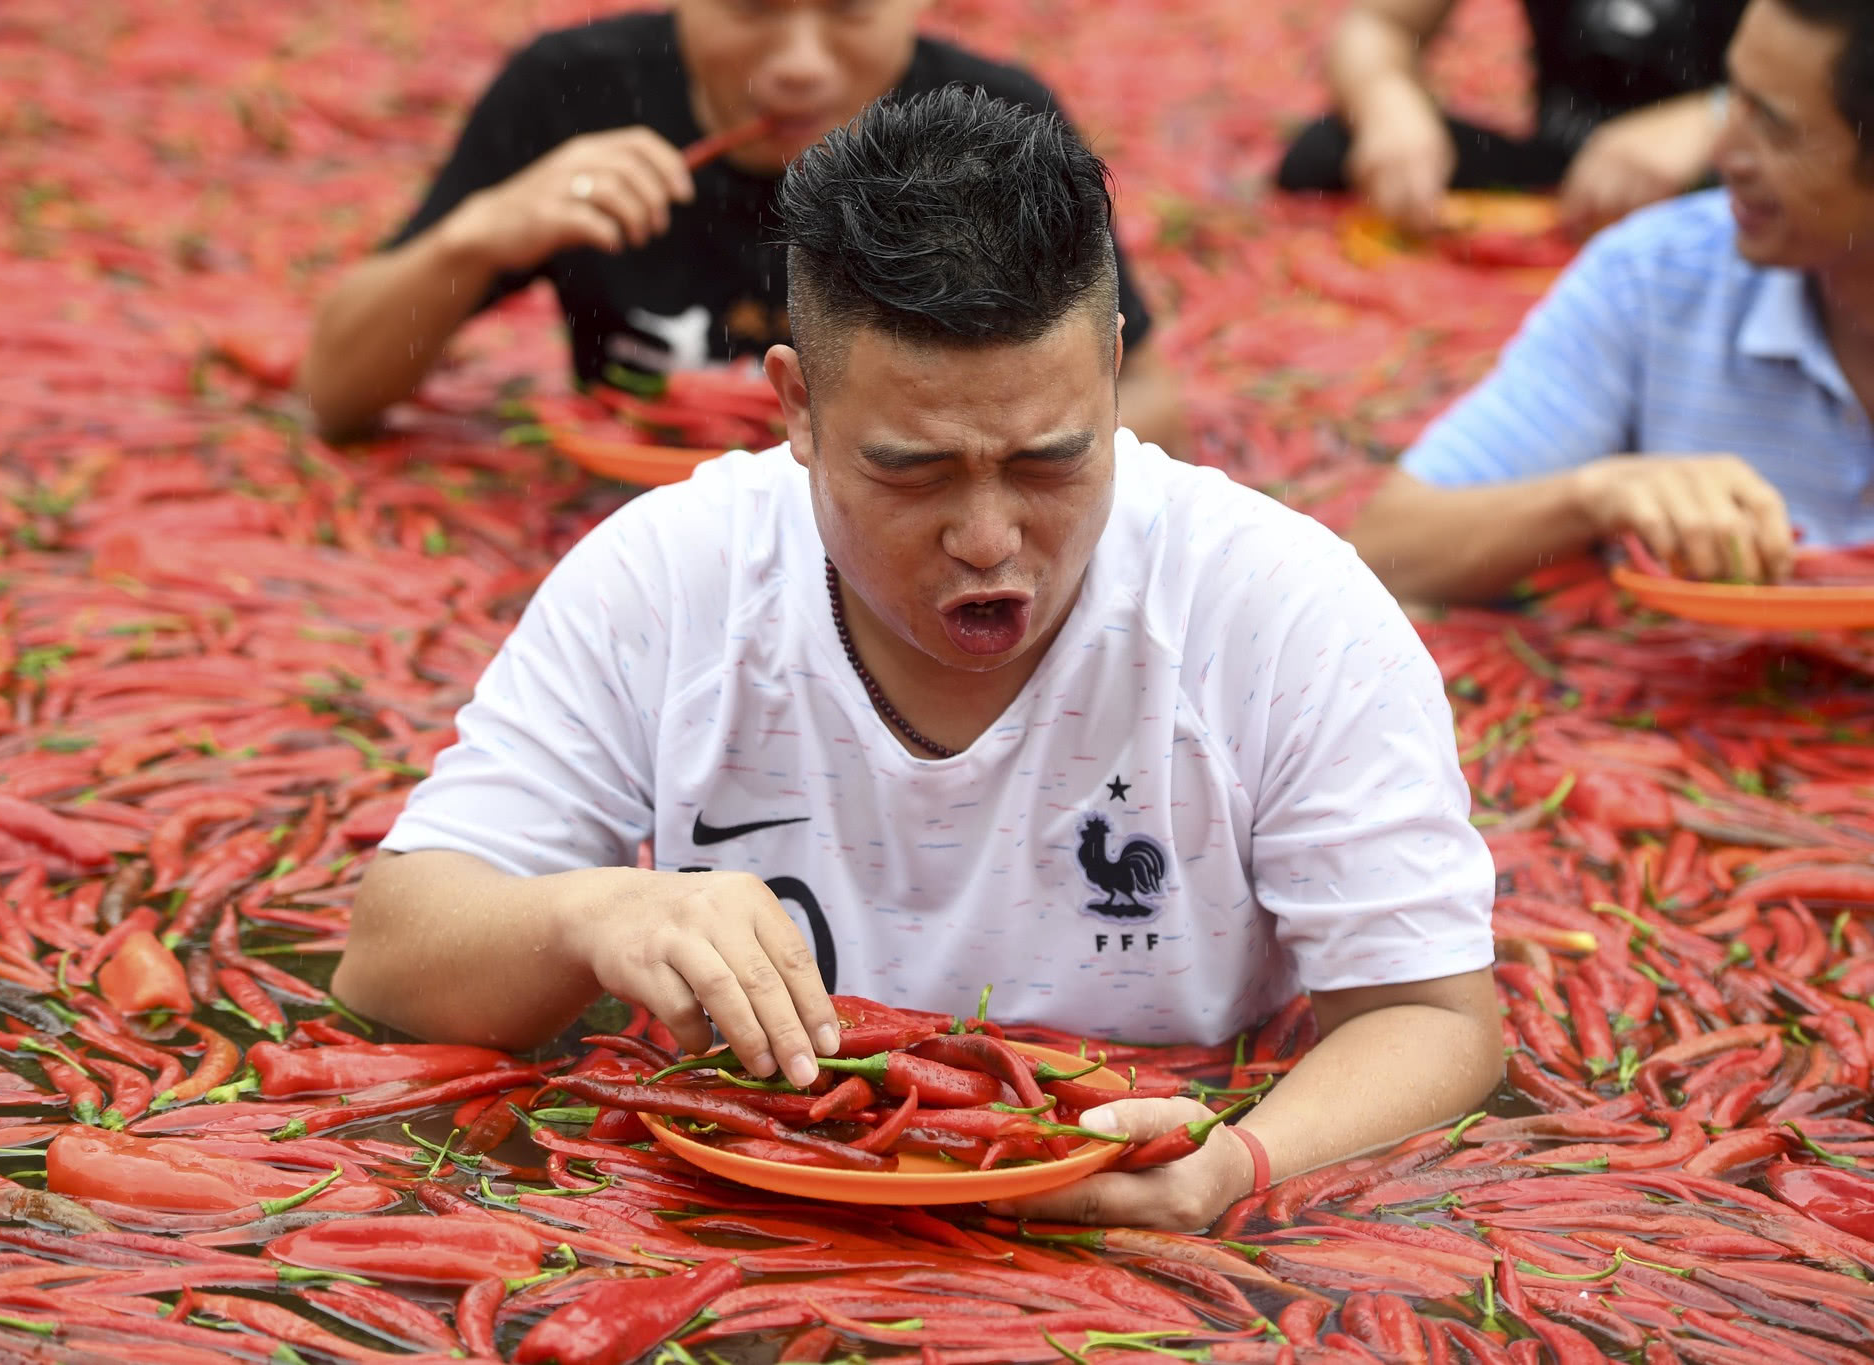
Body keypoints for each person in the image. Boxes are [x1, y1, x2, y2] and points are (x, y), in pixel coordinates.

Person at [332, 87, 1501, 1231]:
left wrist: (1241, 1162)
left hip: (1135, 1223)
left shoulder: (1281, 610)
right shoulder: (671, 576)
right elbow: (389, 960)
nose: (988, 538)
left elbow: (1431, 1015)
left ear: (1109, 370)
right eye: (912, 470)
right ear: (794, 405)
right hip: (757, 1201)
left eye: (1048, 461)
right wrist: (592, 915)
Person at [298, 0, 1184, 455]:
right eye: (753, 7)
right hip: (623, 507)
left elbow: (1139, 389)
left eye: (849, 10)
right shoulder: (572, 92)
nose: (798, 64)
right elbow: (337, 394)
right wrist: (479, 234)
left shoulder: (990, 125)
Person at [1347, 0, 1874, 605]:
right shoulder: (1657, 277)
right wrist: (1596, 495)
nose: (1722, 152)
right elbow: (1385, 553)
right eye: (1731, 98)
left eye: (1776, 126)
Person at [1278, 0, 1747, 237]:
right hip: (1565, 177)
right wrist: (1388, 102)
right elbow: (1380, 24)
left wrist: (1715, 115)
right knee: (1324, 154)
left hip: (1734, 179)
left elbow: (1817, 86)